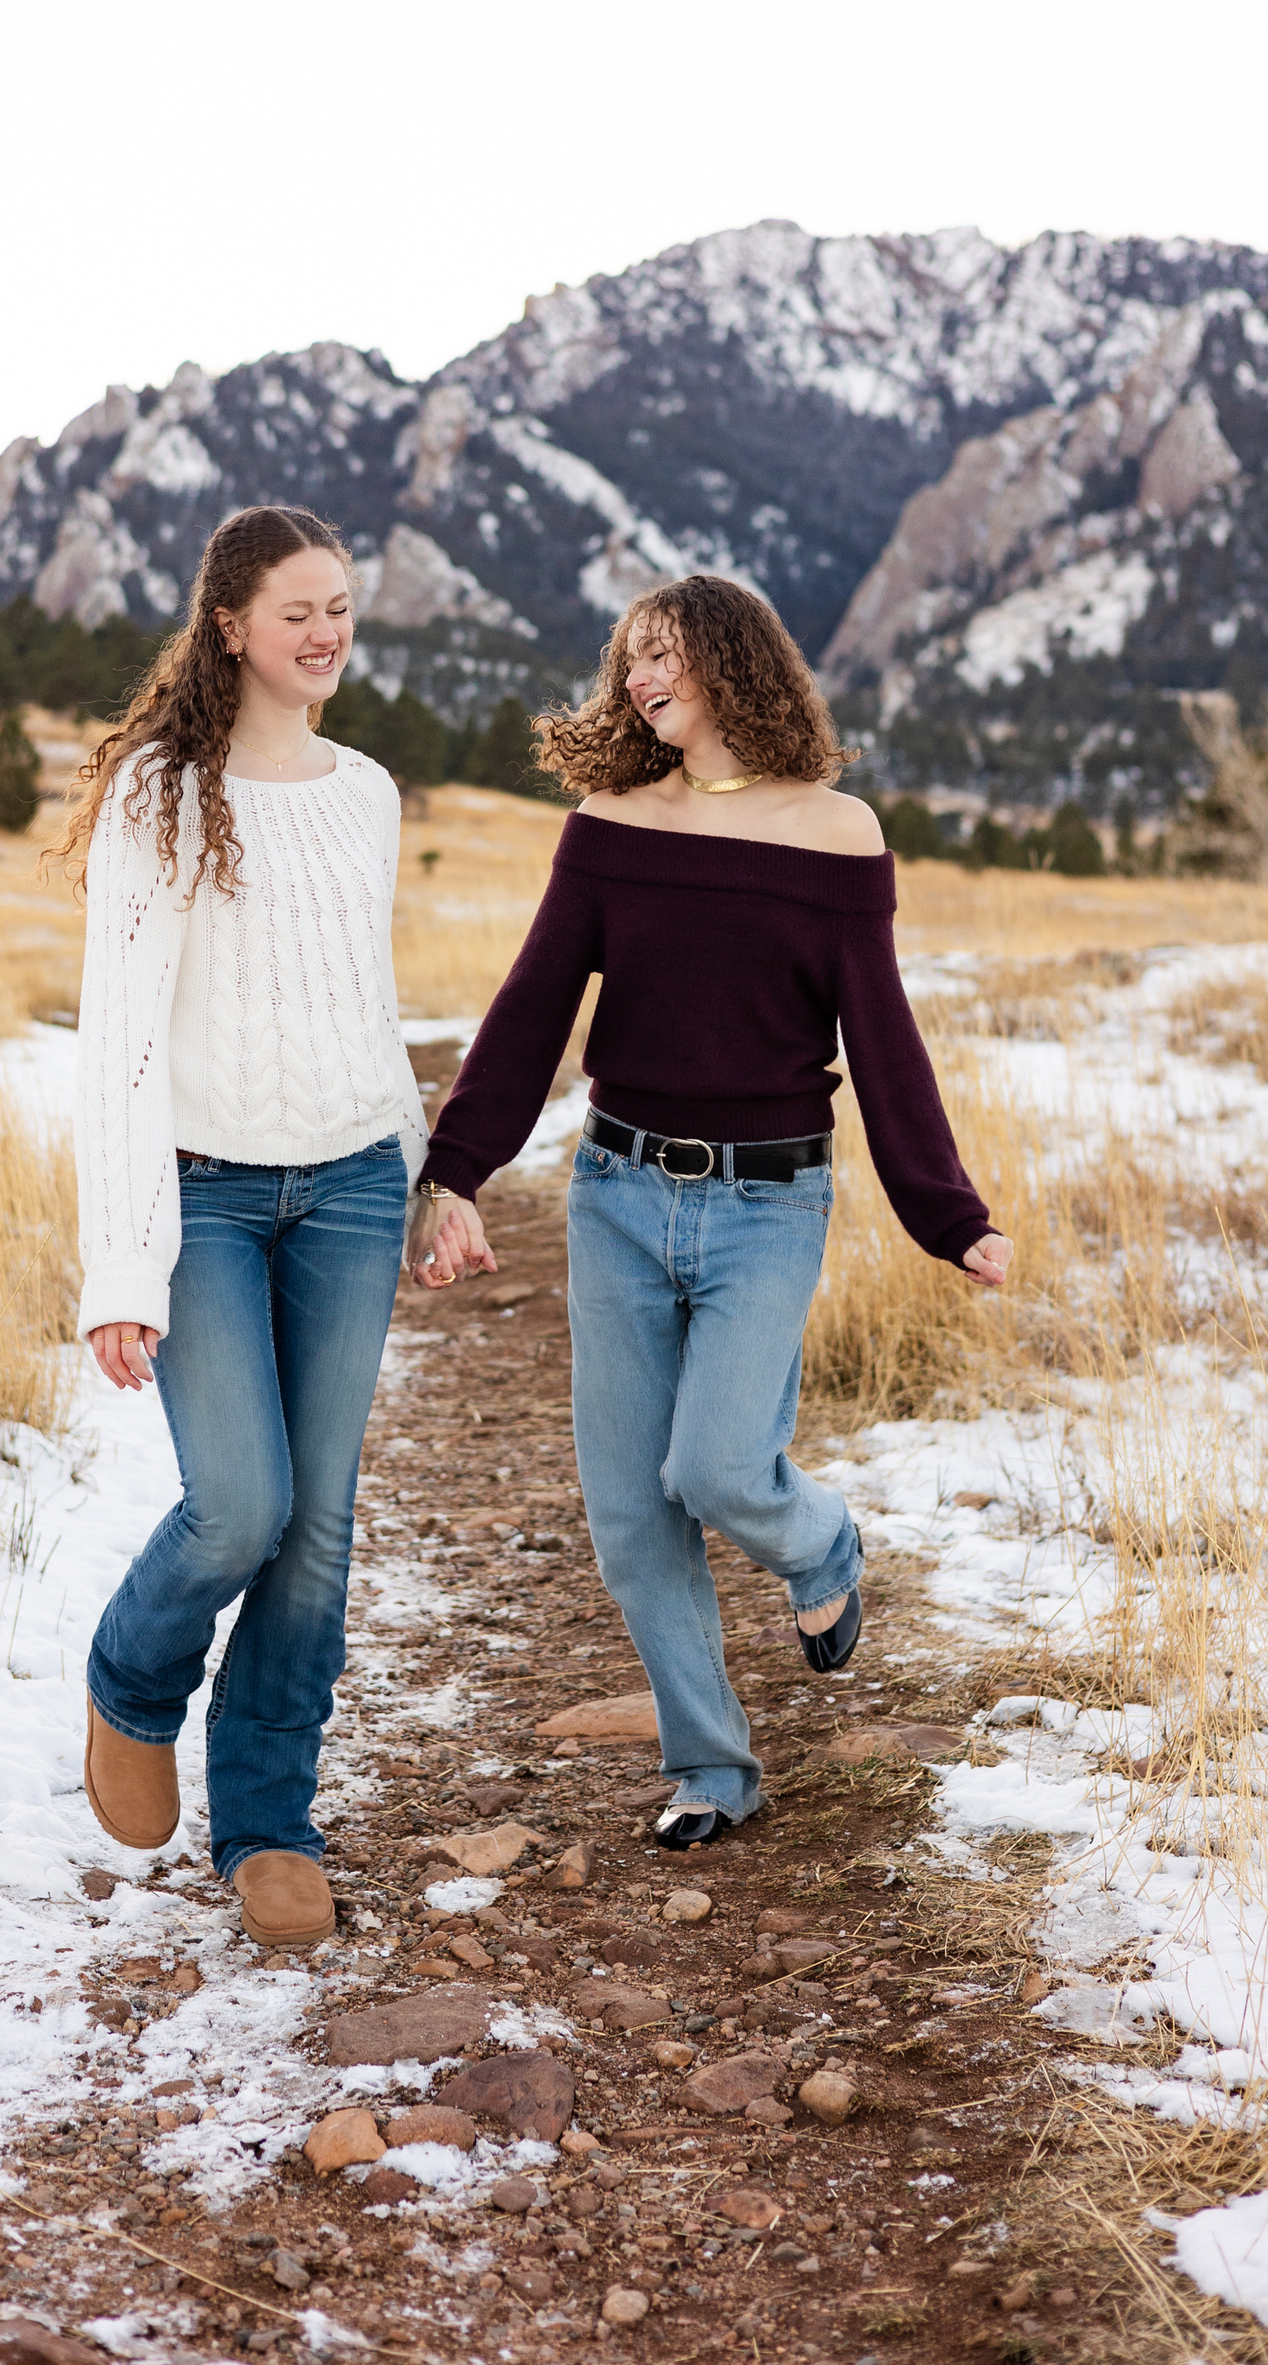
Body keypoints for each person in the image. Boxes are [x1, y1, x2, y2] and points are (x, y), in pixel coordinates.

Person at [405, 576, 1011, 1851]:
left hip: (767, 1204)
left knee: (717, 1467)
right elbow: (530, 1011)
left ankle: (820, 1541)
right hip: (617, 1194)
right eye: (629, 655)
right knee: (632, 1514)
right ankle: (711, 1768)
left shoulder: (837, 835)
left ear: (735, 663)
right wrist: (453, 1168)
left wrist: (947, 1214)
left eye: (664, 652)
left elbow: (882, 1040)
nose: (637, 675)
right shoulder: (610, 823)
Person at [53, 505, 425, 1951]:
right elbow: (120, 1048)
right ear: (228, 627)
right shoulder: (161, 792)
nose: (325, 634)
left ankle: (267, 1820)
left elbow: (359, 1003)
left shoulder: (368, 792)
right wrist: (121, 1265)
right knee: (240, 1507)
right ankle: (130, 1683)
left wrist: (423, 1171)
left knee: (316, 1533)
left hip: (345, 1187)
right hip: (205, 1192)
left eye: (339, 607)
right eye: (296, 613)